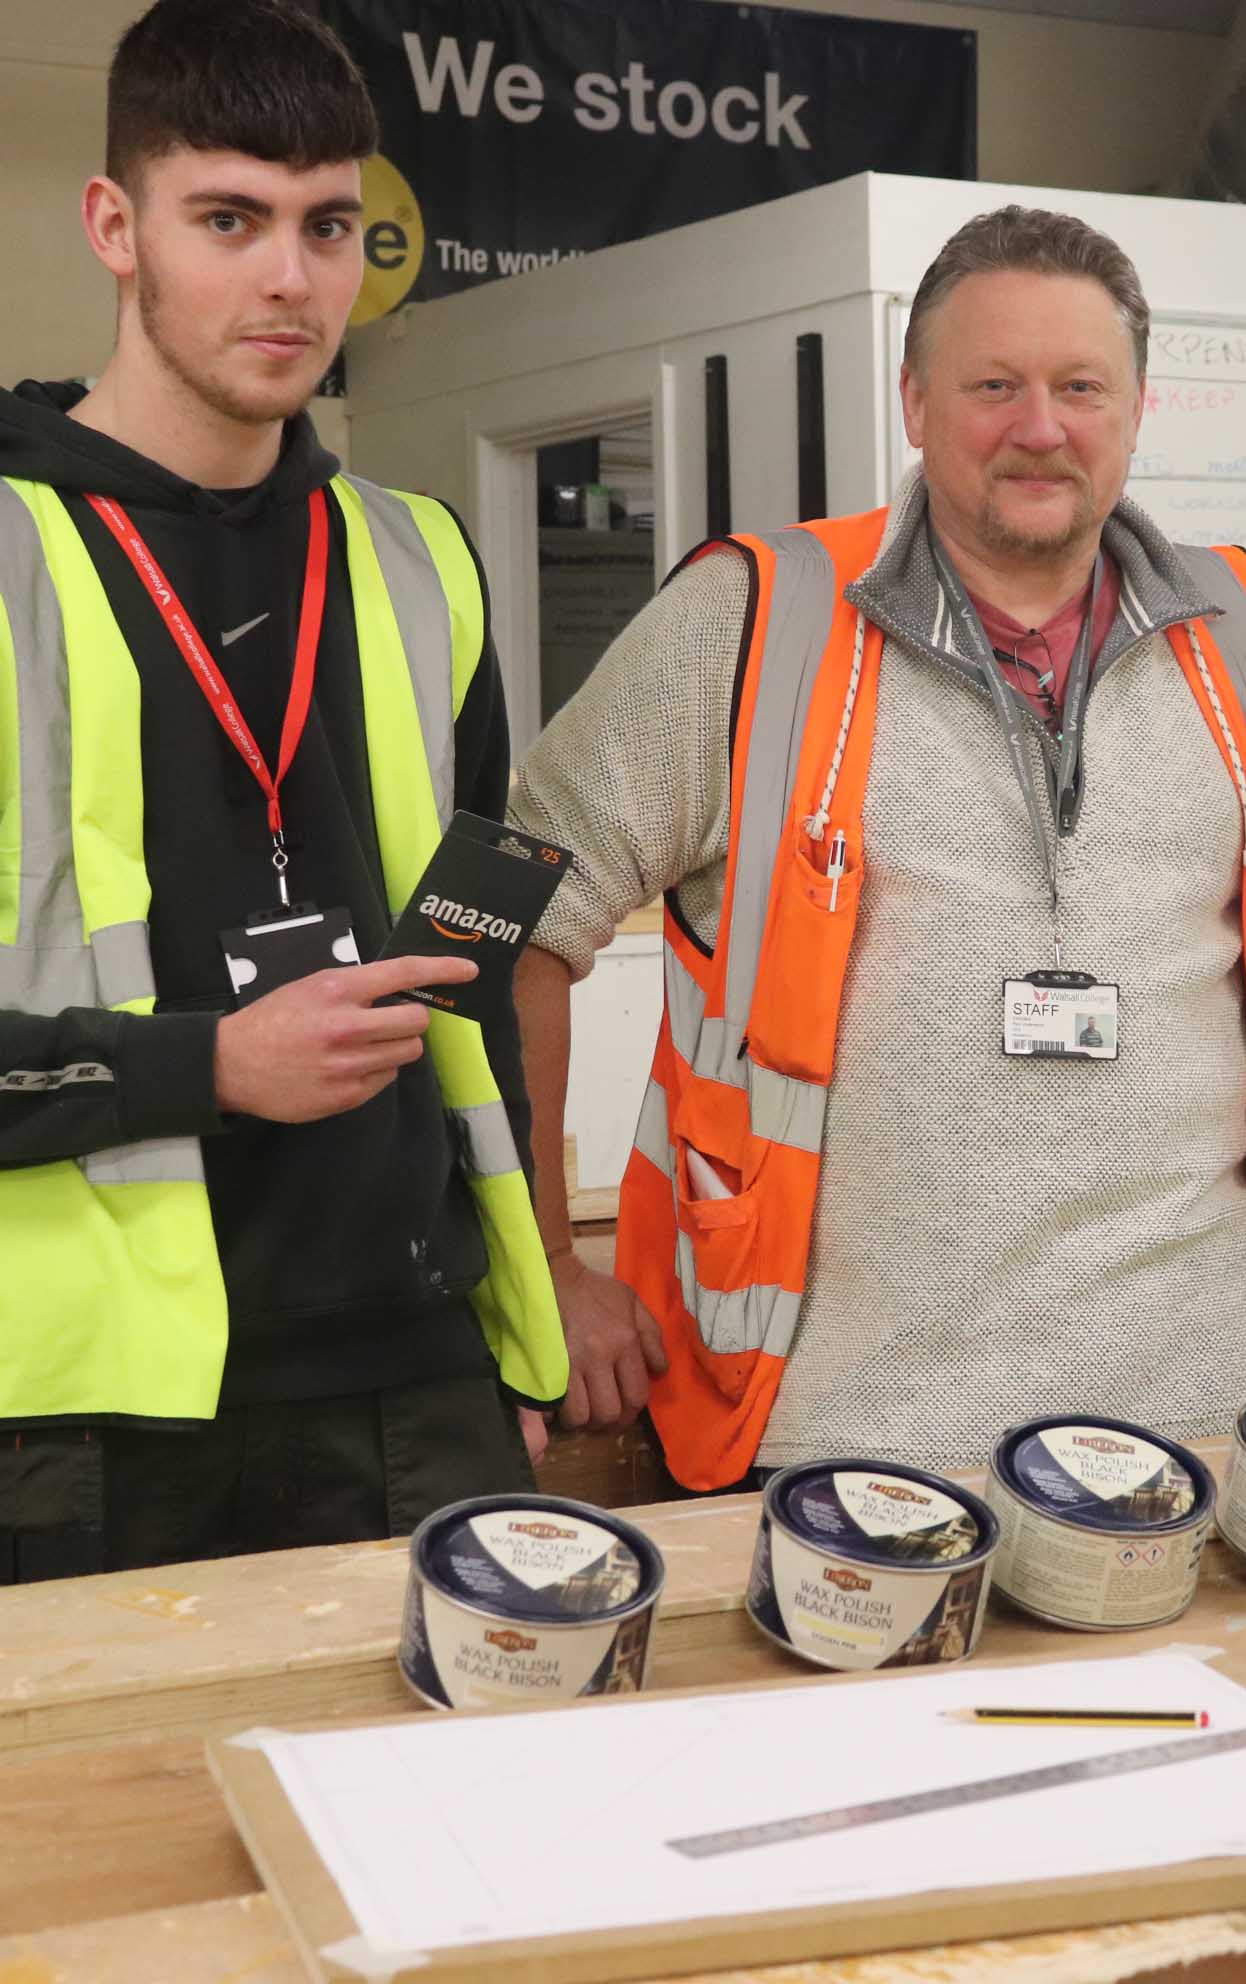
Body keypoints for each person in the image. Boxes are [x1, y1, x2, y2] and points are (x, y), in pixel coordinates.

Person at [511, 206, 1246, 1491]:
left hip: (1202, 1422)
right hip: (839, 1441)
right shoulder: (750, 625)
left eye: (1079, 387)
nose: (1039, 427)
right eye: (993, 386)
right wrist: (544, 1260)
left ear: (1138, 408)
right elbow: (502, 926)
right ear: (916, 404)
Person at [0, 0, 566, 1582]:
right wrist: (209, 1069)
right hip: (80, 1420)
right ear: (117, 226)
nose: (289, 277)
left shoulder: (420, 554)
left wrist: (513, 1337)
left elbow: (480, 943)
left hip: (415, 1377)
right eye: (230, 220)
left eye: (330, 227)